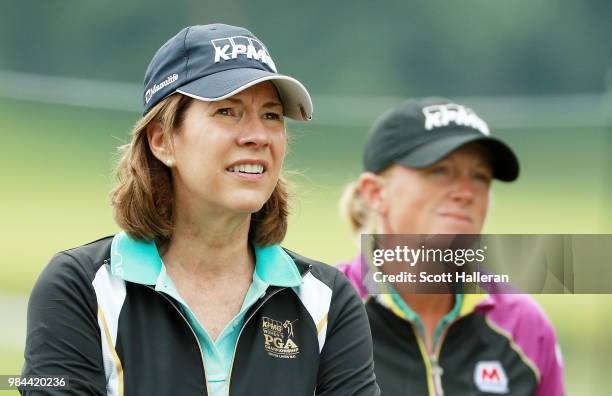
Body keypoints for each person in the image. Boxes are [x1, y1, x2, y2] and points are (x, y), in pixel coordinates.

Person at [22, 24, 379, 396]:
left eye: (271, 116)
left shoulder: (327, 299)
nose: (257, 135)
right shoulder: (81, 288)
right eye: (227, 111)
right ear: (162, 140)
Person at [338, 98, 564, 395]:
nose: (466, 192)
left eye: (481, 176)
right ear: (375, 193)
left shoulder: (524, 325)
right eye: (440, 170)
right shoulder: (322, 313)